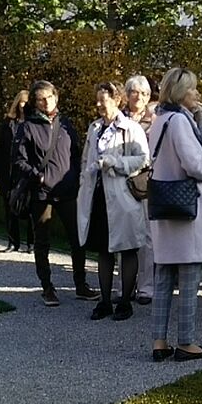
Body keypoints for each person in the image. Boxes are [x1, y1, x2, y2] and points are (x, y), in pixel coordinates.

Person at [149, 67, 202, 362]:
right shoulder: (179, 121)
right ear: (180, 92)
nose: (196, 93)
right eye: (192, 88)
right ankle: (186, 341)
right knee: (189, 278)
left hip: (165, 207)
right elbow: (195, 165)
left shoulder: (160, 120)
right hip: (186, 208)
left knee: (164, 276)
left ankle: (159, 340)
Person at [78, 82, 150, 321]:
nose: (99, 104)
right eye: (97, 99)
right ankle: (105, 301)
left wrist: (116, 163)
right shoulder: (95, 128)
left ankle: (125, 301)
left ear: (117, 100)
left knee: (127, 248)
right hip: (98, 196)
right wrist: (84, 179)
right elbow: (86, 158)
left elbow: (143, 159)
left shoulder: (130, 128)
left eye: (104, 99)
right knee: (103, 249)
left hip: (123, 196)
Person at [14, 82, 86, 306]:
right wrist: (38, 177)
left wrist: (75, 177)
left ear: (56, 97)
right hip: (42, 193)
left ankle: (81, 284)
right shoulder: (27, 127)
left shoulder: (65, 124)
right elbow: (19, 160)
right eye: (41, 99)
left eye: (49, 97)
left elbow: (76, 154)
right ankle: (47, 287)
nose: (46, 102)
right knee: (42, 241)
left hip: (67, 190)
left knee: (77, 239)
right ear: (35, 102)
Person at [125, 74, 156, 305]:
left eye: (144, 93)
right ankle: (124, 285)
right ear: (127, 95)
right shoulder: (119, 119)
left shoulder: (155, 120)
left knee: (147, 236)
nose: (139, 97)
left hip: (145, 183)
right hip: (121, 181)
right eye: (134, 92)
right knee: (123, 235)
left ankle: (146, 287)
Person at [0, 90, 34, 253]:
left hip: (27, 171)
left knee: (30, 208)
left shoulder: (34, 124)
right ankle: (12, 242)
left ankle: (31, 243)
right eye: (21, 102)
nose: (23, 105)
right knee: (9, 208)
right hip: (9, 171)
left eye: (26, 102)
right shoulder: (8, 123)